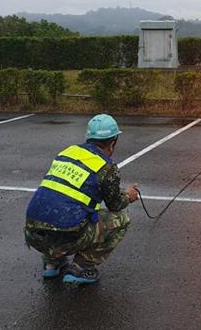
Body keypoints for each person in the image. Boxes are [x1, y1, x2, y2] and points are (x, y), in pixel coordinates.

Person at [24, 113, 138, 285]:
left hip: (33, 234)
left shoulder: (67, 152)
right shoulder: (106, 166)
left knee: (58, 213)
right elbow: (115, 204)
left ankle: (51, 264)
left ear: (88, 137)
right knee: (121, 219)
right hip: (66, 236)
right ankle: (80, 267)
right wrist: (129, 196)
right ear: (113, 141)